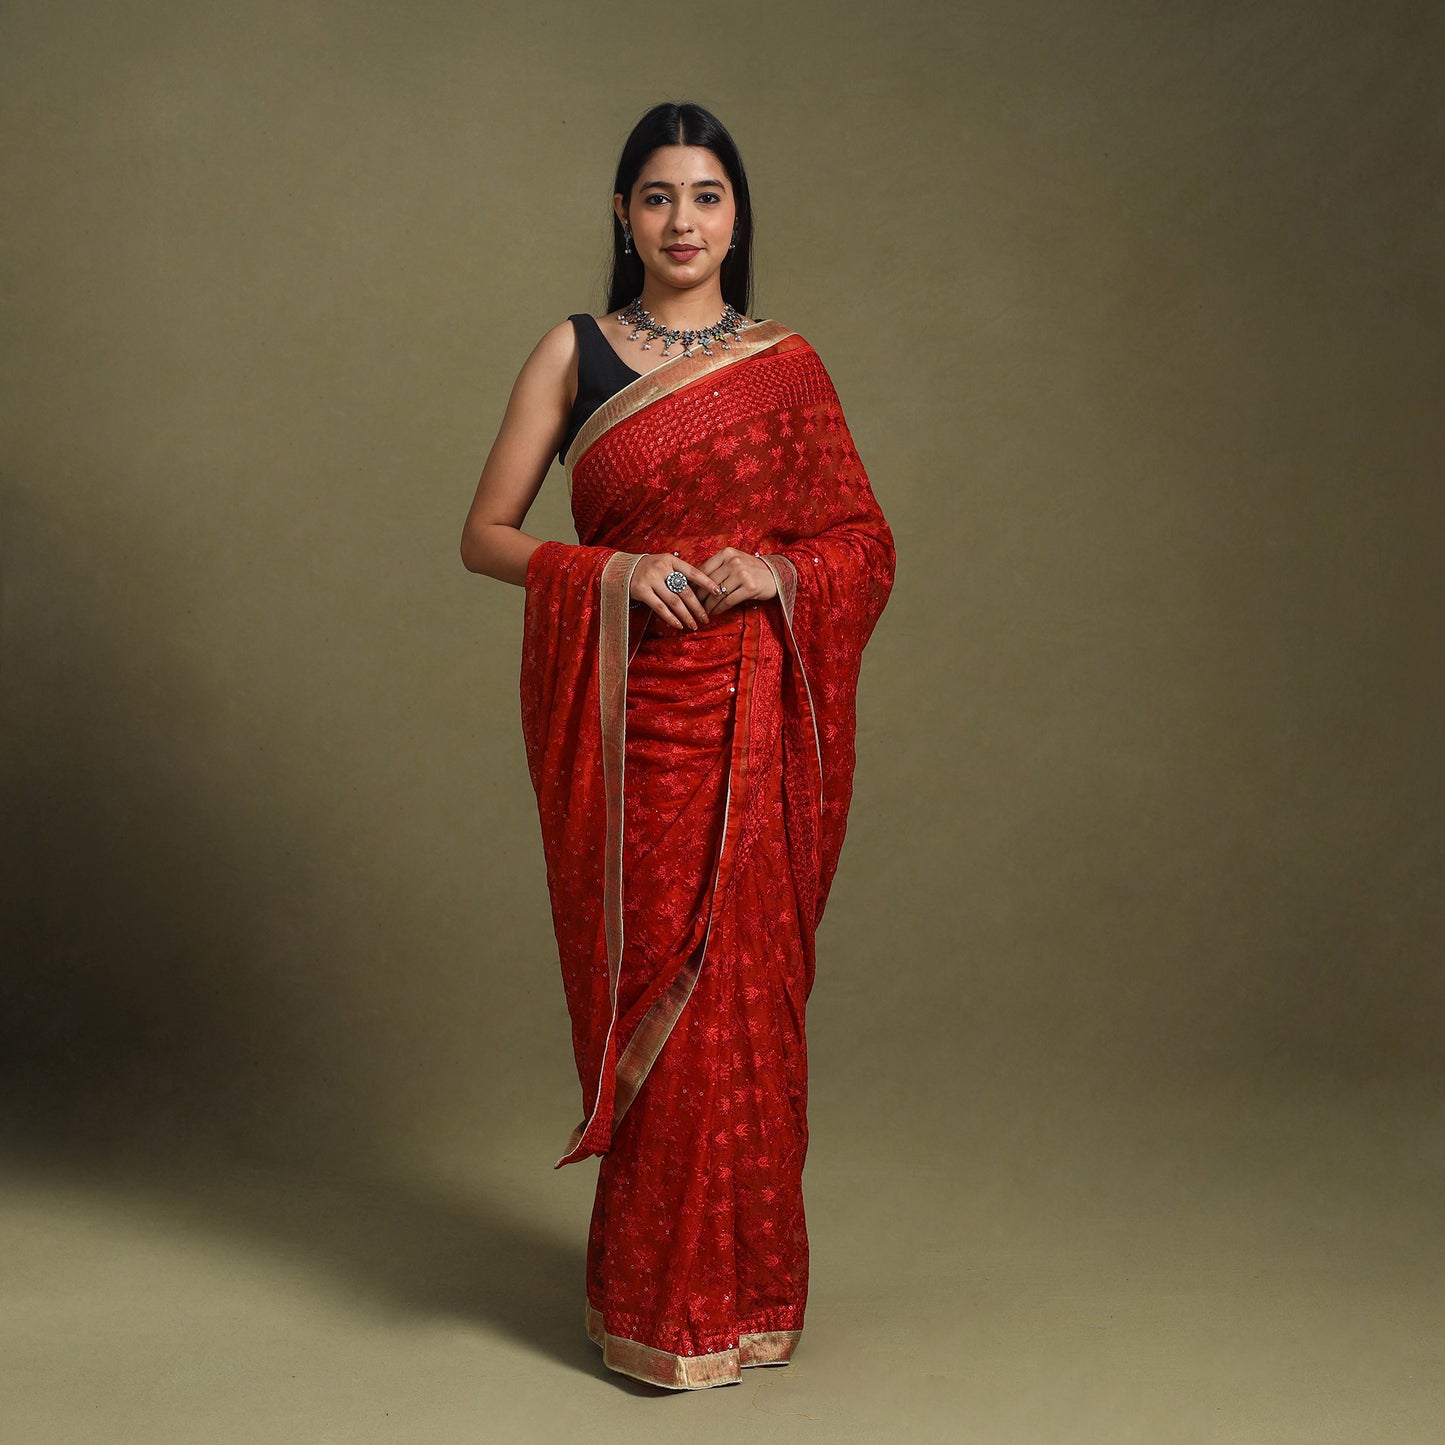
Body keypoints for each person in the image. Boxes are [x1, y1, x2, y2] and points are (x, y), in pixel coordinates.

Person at [459, 100, 894, 1391]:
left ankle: (750, 1296)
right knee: (664, 1003)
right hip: (638, 724)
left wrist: (779, 571)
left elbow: (865, 541)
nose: (683, 221)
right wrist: (615, 570)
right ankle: (654, 1307)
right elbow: (485, 534)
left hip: (756, 717)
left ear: (736, 215)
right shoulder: (574, 352)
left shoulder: (786, 367)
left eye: (706, 196)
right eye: (658, 197)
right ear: (622, 213)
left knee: (748, 1006)